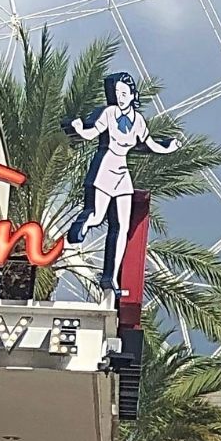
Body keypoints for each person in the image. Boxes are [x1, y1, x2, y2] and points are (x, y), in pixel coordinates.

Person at [62, 72, 180, 290]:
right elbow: (91, 132)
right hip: (105, 166)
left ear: (133, 95)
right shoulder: (109, 113)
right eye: (117, 93)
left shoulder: (138, 121)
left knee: (122, 227)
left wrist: (168, 148)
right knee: (97, 215)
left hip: (122, 172)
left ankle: (111, 277)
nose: (120, 97)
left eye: (124, 93)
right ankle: (83, 224)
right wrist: (77, 128)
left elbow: (149, 144)